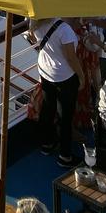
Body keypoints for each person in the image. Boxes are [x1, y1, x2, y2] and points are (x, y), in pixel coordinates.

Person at [30, 17, 84, 166]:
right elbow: (71, 58)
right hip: (64, 75)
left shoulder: (36, 23)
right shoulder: (64, 30)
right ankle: (65, 156)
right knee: (66, 116)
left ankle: (47, 144)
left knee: (48, 107)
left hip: (45, 71)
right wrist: (81, 76)